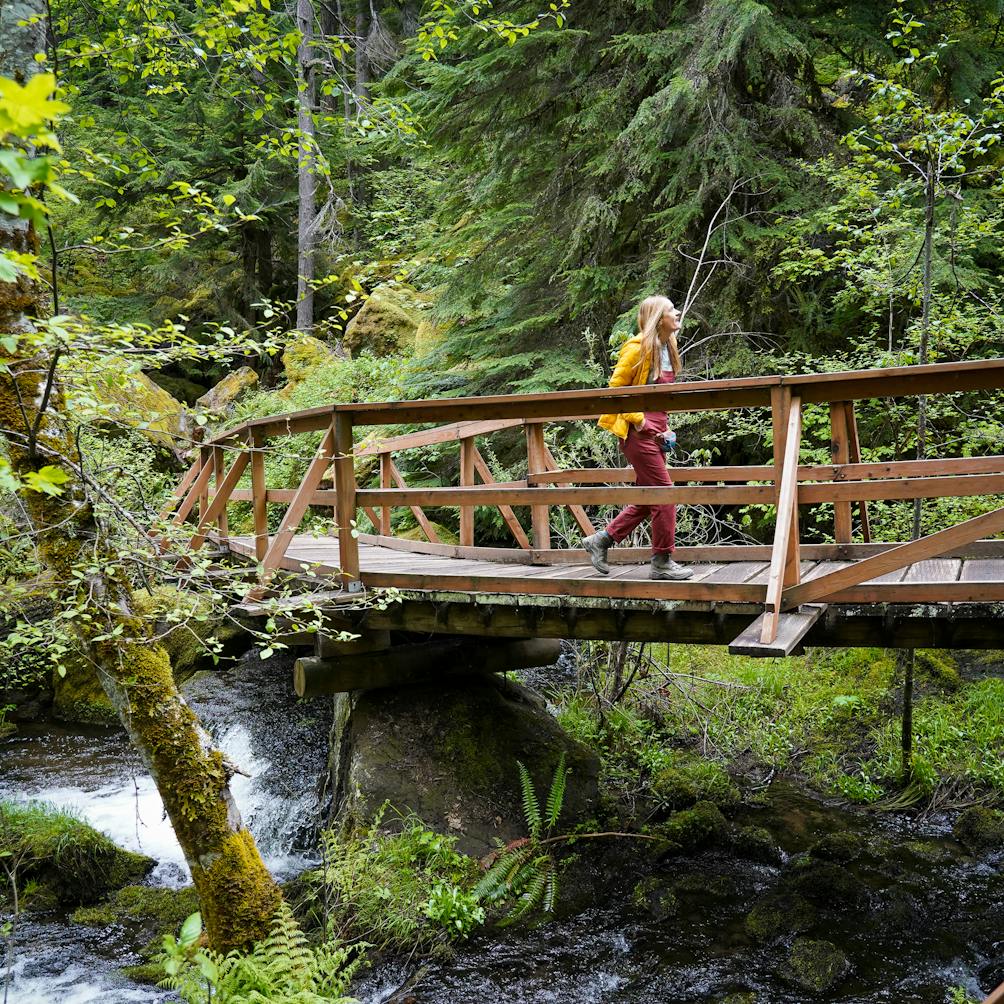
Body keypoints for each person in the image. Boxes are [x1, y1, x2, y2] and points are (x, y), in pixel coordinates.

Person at [581, 295, 693, 580]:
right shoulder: (635, 349)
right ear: (659, 317)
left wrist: (665, 428)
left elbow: (660, 397)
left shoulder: (669, 347)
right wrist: (640, 420)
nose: (677, 312)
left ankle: (601, 540)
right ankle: (662, 561)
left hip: (658, 430)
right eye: (671, 310)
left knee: (649, 497)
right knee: (665, 494)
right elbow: (615, 391)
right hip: (637, 432)